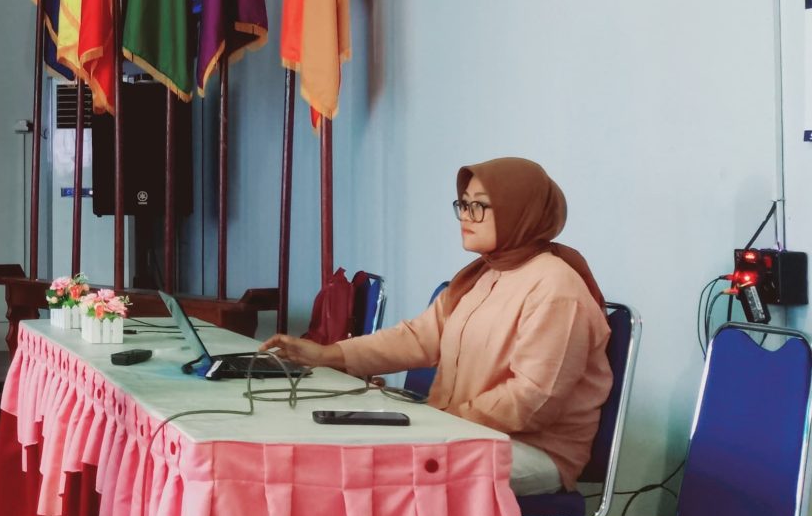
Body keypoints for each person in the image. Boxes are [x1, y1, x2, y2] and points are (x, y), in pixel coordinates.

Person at [260, 158, 611, 496]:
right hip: (460, 430)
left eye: (479, 207)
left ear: (520, 210)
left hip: (533, 450)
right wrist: (328, 354)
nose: (465, 217)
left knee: (385, 473)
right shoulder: (482, 274)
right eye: (463, 204)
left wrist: (435, 419)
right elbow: (418, 338)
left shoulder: (557, 289)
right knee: (343, 452)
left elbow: (533, 399)